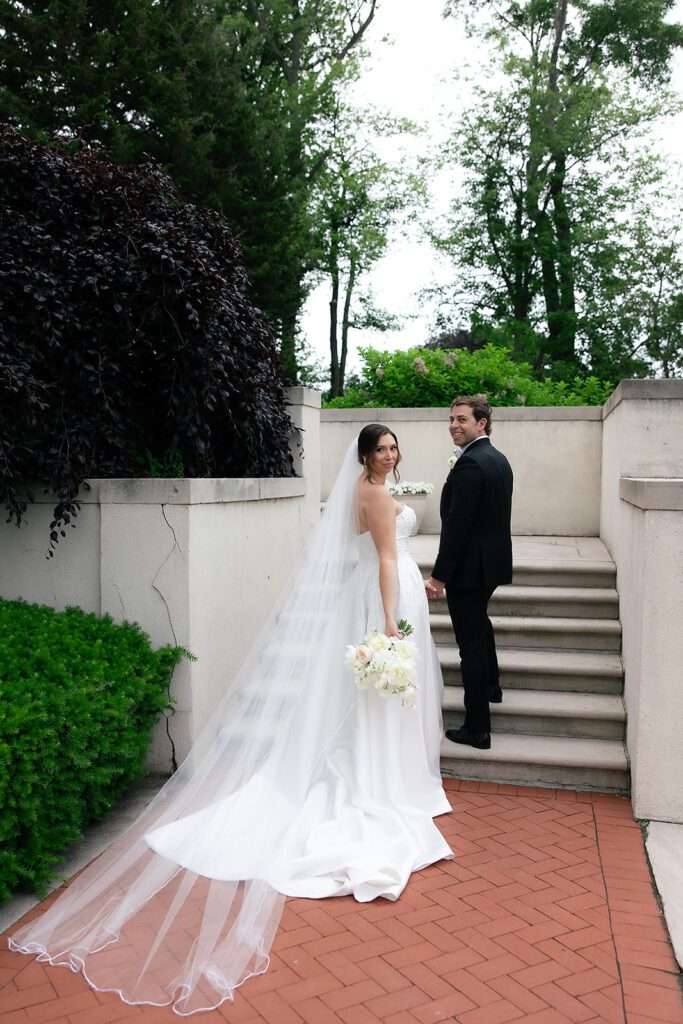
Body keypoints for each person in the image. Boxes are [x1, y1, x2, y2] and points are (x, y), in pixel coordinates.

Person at [9, 424, 452, 1016]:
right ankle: (377, 780)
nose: (389, 455)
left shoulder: (367, 490)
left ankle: (382, 770)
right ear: (365, 456)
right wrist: (392, 621)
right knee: (370, 702)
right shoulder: (372, 495)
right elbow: (385, 558)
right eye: (381, 449)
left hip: (381, 595)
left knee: (366, 705)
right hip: (382, 600)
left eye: (394, 448)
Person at [425, 396, 513, 751]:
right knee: (480, 624)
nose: (454, 425)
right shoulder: (498, 459)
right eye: (451, 419)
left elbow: (457, 529)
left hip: (469, 569)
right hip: (490, 564)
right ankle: (492, 686)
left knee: (470, 645)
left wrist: (439, 577)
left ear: (482, 423)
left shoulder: (471, 465)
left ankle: (477, 728)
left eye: (462, 419)